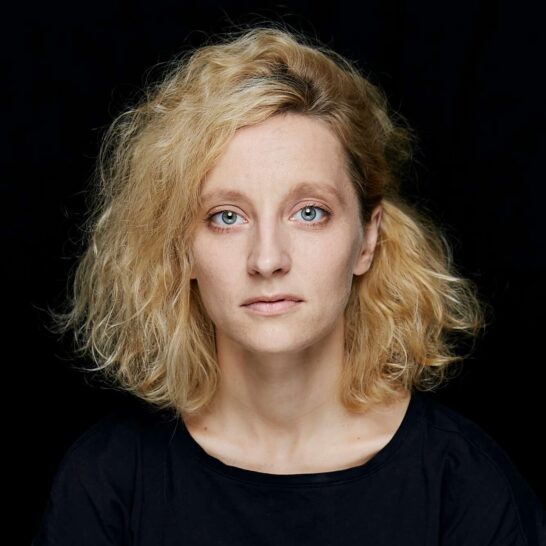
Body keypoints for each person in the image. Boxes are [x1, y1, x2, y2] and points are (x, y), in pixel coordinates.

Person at [33, 22, 545, 545]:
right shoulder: (108, 481)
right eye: (226, 217)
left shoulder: (464, 486)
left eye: (309, 212)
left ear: (367, 239)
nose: (267, 259)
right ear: (181, 250)